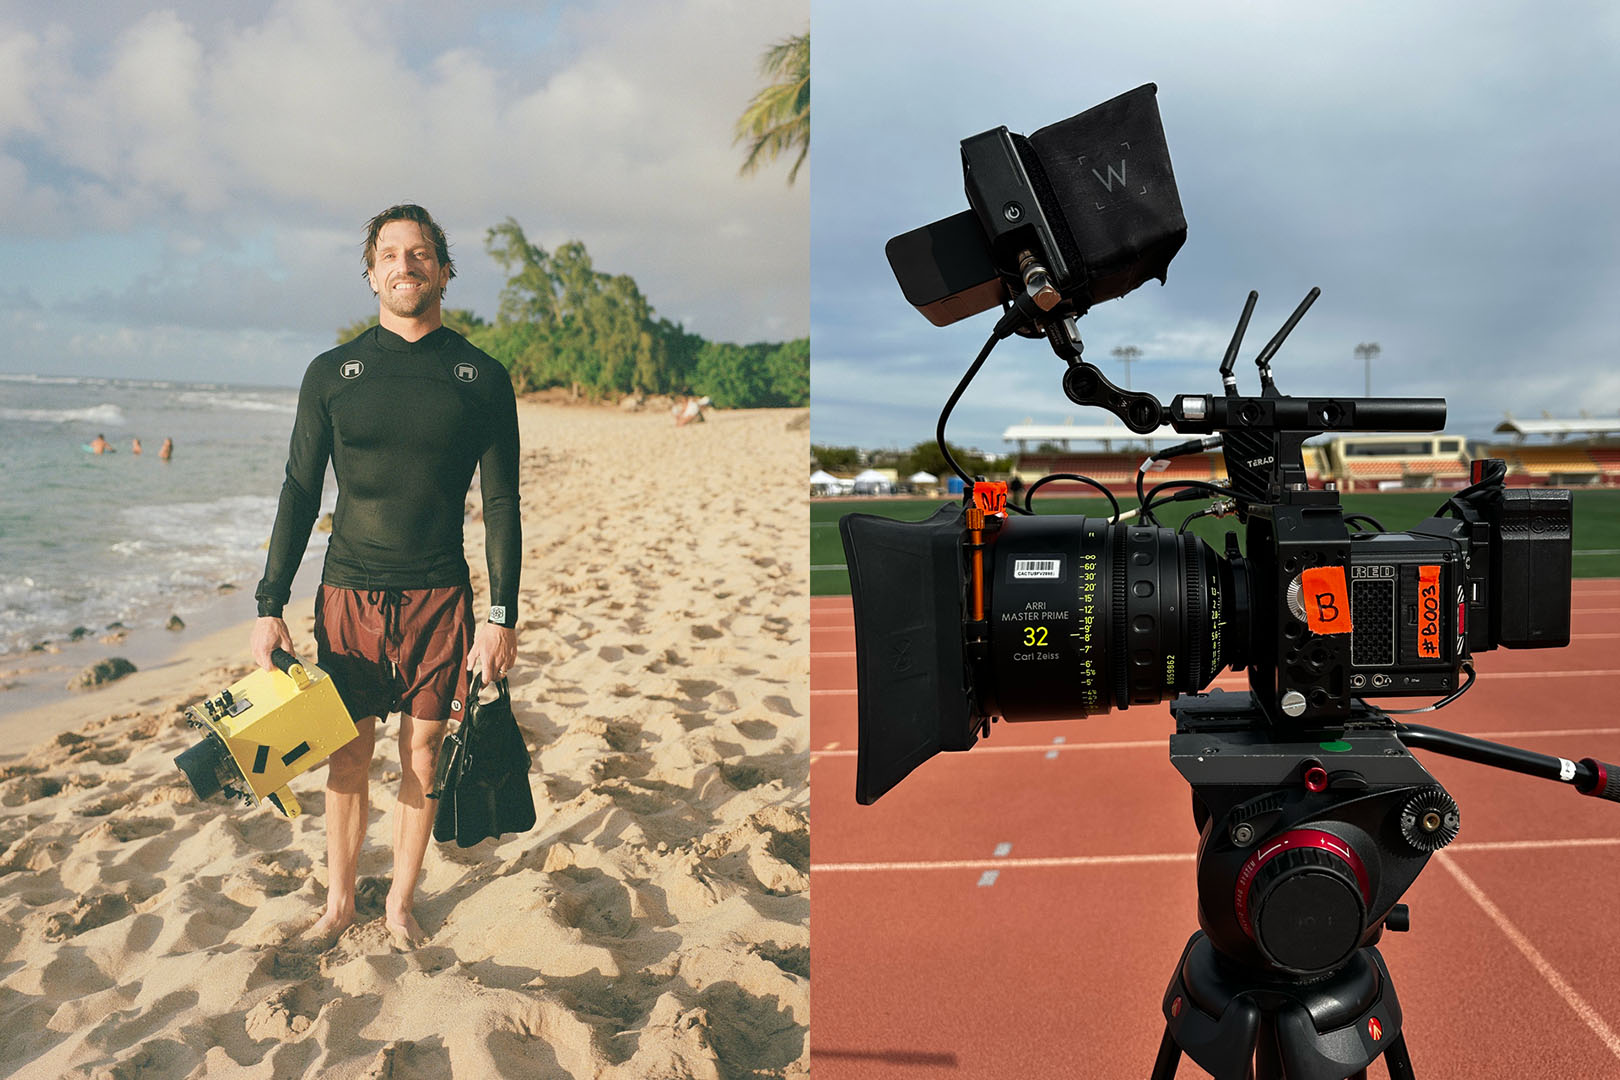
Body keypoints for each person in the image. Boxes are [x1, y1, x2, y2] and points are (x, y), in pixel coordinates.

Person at [252, 204, 521, 950]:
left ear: (444, 270)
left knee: (424, 751)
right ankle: (339, 903)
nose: (406, 265)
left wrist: (502, 615)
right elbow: (299, 491)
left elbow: (502, 502)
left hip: (440, 594)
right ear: (371, 274)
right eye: (391, 255)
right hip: (348, 594)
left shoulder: (481, 377)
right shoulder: (332, 374)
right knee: (347, 750)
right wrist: (270, 602)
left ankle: (400, 902)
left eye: (421, 253)